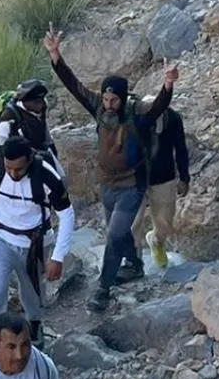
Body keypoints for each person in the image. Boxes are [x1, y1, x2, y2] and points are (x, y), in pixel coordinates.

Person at [44, 28, 178, 312]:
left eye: (113, 99)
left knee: (114, 235)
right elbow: (74, 86)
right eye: (105, 99)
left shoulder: (137, 115)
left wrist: (168, 85)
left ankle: (103, 289)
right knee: (120, 234)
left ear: (122, 97)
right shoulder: (98, 109)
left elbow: (160, 107)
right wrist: (56, 56)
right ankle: (135, 264)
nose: (108, 103)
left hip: (132, 185)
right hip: (106, 185)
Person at [0, 136, 74, 345]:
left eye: (18, 169)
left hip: (34, 245)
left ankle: (33, 330)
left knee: (32, 296)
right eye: (9, 168)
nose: (12, 174)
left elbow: (67, 214)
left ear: (28, 160)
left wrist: (58, 257)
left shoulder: (46, 175)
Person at [133, 98, 190, 270]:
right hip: (135, 179)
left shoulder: (172, 118)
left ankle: (156, 241)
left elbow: (180, 147)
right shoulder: (132, 117)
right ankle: (134, 263)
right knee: (133, 223)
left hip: (164, 176)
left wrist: (184, 177)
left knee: (165, 224)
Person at [0, 80, 64, 175]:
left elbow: (45, 133)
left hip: (42, 154)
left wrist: (52, 151)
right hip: (19, 165)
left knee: (61, 179)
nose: (41, 104)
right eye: (36, 102)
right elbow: (1, 152)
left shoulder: (41, 107)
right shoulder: (8, 120)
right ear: (25, 102)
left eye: (42, 100)